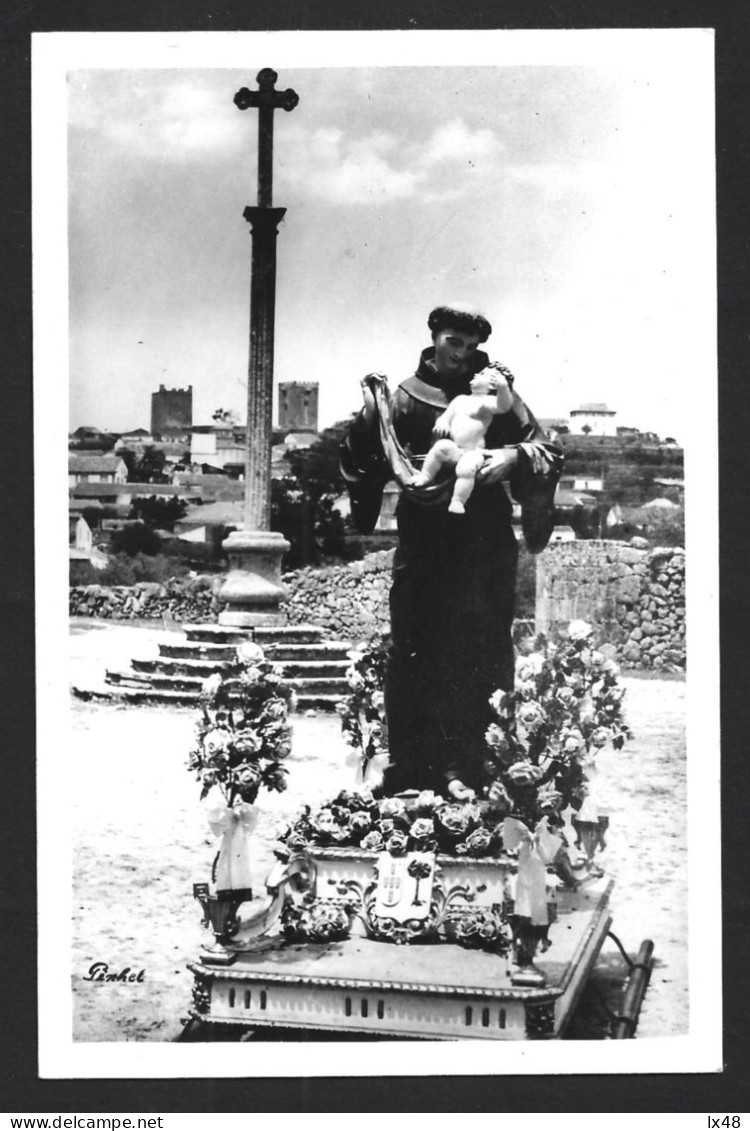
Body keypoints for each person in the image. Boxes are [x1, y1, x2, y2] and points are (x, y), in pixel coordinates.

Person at [340, 305, 563, 801]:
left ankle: (475, 763)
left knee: (479, 645)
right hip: (423, 539)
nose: (460, 354)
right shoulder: (403, 397)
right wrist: (367, 420)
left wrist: (513, 457)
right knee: (414, 645)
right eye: (451, 342)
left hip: (482, 540)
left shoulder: (496, 396)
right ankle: (410, 765)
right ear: (434, 337)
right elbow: (364, 454)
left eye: (468, 345)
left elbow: (546, 449)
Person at [411, 364, 514, 514]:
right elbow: (446, 416)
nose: (476, 375)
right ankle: (426, 476)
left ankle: (458, 500)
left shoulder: (487, 402)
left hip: (474, 451)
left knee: (466, 469)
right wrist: (443, 423)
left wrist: (503, 388)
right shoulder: (460, 399)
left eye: (483, 375)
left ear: (492, 383)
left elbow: (503, 406)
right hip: (456, 448)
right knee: (440, 447)